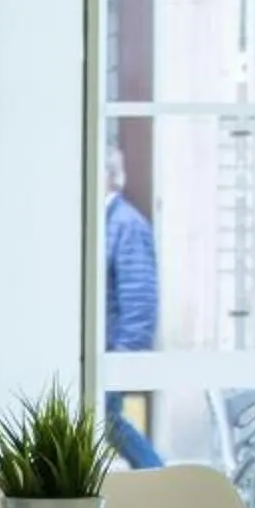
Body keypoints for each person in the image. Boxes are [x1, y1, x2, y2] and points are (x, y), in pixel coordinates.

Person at [103, 145, 163, 468]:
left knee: (106, 421)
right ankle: (161, 480)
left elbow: (140, 298)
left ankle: (161, 479)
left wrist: (124, 356)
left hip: (112, 352)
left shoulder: (126, 224)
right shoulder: (102, 223)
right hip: (104, 352)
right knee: (106, 423)